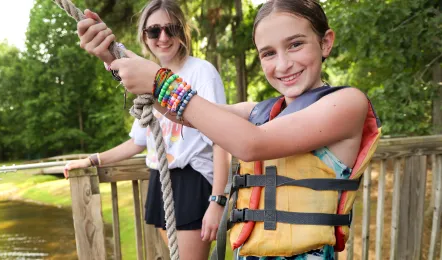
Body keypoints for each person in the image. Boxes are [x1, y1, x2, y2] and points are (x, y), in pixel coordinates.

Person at [84, 0, 382, 259]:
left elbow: (251, 144)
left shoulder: (347, 103)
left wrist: (160, 81)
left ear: (325, 42)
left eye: (295, 44)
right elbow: (186, 115)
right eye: (268, 53)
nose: (283, 64)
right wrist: (112, 56)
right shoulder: (260, 111)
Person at [65, 0, 232, 259]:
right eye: (154, 31)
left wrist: (217, 200)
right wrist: (92, 160)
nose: (163, 37)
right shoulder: (148, 76)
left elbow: (222, 139)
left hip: (193, 181)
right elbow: (137, 142)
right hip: (161, 181)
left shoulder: (201, 73)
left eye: (171, 28)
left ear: (183, 32)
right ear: (144, 35)